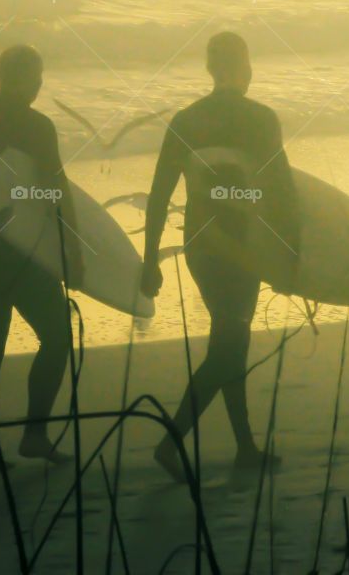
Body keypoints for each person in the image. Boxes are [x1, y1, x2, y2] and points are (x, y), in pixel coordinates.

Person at [140, 32, 300, 480]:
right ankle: (171, 440)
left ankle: (245, 447)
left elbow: (158, 196)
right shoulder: (261, 119)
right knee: (230, 346)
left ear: (211, 71)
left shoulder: (186, 120)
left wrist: (150, 258)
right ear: (246, 68)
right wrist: (292, 254)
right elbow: (282, 190)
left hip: (200, 246)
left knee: (231, 340)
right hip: (244, 245)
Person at [0, 44, 83, 470]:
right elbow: (53, 187)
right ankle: (34, 433)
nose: (40, 83)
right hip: (25, 253)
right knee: (57, 338)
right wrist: (72, 245)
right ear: (26, 79)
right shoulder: (36, 125)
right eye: (37, 75)